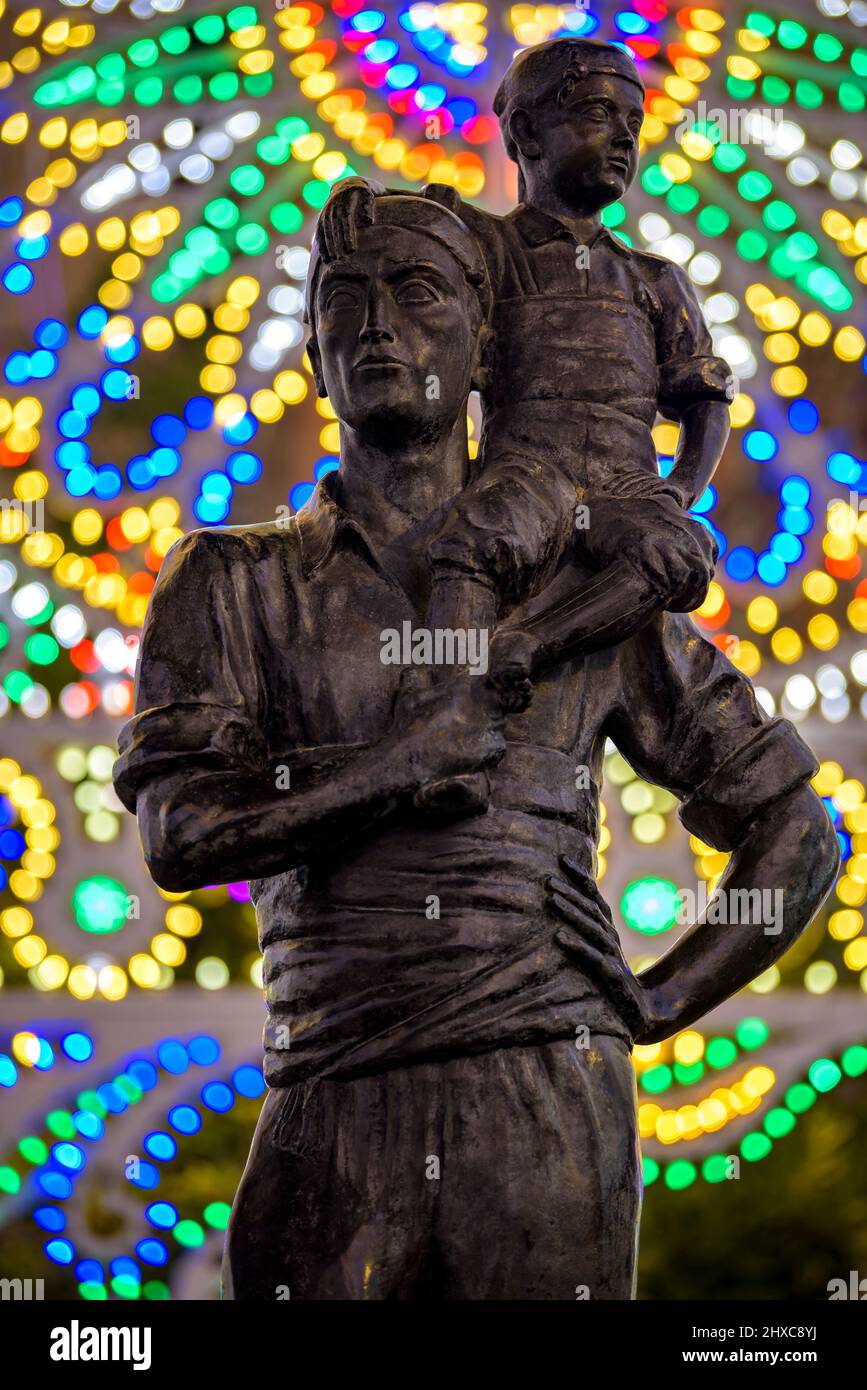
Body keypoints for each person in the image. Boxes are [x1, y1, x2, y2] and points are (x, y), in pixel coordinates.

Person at [113, 193, 838, 1300]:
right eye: (342, 301)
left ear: (485, 344)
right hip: (329, 1084)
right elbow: (182, 833)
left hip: (545, 1087)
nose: (375, 327)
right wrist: (398, 767)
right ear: (311, 352)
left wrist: (661, 998)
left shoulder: (585, 591)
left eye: (417, 293)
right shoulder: (230, 582)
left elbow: (797, 831)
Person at [319, 37, 734, 714]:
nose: (624, 140)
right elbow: (401, 226)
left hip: (629, 483)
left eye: (634, 124)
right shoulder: (483, 244)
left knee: (673, 557)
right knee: (469, 543)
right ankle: (443, 710)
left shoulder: (655, 280)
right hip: (527, 470)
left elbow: (704, 402)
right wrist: (352, 197)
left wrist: (675, 493)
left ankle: (530, 645)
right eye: (601, 116)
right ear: (525, 135)